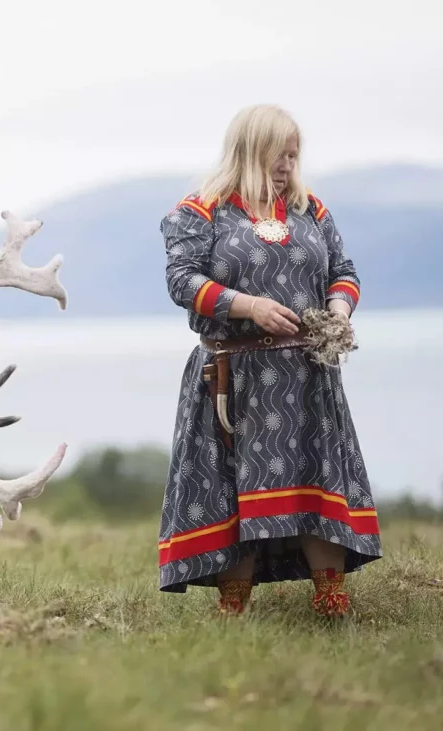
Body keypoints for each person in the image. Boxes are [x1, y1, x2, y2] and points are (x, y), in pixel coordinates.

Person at [157, 104, 381, 617]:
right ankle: (233, 609)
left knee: (317, 476)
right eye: (281, 153)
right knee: (233, 485)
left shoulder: (310, 210)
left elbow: (344, 272)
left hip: (307, 373)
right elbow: (182, 281)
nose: (288, 164)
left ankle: (332, 599)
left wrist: (339, 309)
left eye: (295, 154)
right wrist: (249, 305)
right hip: (232, 377)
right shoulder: (200, 210)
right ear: (251, 149)